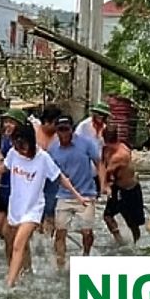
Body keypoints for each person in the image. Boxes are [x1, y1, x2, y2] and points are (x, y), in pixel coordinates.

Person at [0, 123, 89, 287]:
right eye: (17, 145)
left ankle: (9, 284)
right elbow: (2, 169)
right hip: (16, 207)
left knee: (18, 244)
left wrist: (78, 196)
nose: (20, 149)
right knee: (11, 240)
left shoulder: (43, 158)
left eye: (23, 145)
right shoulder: (13, 153)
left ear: (31, 141)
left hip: (34, 209)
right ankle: (25, 273)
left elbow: (59, 177)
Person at [48, 115, 105, 270]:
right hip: (63, 195)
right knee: (60, 231)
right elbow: (50, 172)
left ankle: (85, 256)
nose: (63, 133)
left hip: (86, 193)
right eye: (60, 130)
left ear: (72, 130)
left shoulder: (86, 143)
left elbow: (99, 163)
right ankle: (61, 264)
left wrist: (103, 185)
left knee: (86, 232)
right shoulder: (52, 148)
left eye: (66, 129)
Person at [0, 108, 26, 263]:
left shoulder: (24, 144)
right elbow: (3, 159)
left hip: (18, 193)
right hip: (4, 189)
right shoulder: (5, 139)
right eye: (6, 121)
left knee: (9, 234)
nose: (7, 125)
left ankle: (19, 268)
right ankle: (15, 264)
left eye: (11, 122)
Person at [101, 126, 145, 246]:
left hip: (129, 189)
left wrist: (104, 185)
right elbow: (103, 165)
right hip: (118, 187)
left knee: (132, 223)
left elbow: (108, 171)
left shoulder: (120, 154)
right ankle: (119, 240)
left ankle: (137, 245)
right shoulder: (108, 149)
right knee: (107, 216)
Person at [34, 105, 62, 236]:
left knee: (51, 208)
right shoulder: (33, 131)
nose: (57, 127)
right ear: (46, 121)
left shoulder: (60, 136)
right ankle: (37, 236)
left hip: (53, 178)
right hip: (35, 177)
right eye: (55, 123)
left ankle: (49, 239)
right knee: (37, 209)